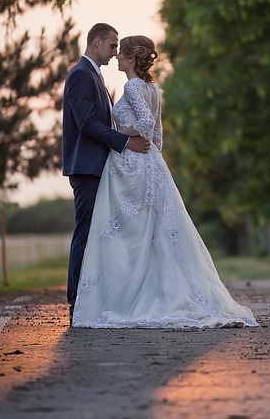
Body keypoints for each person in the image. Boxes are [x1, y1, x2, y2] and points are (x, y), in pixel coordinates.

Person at [72, 35, 258, 329]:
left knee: (129, 234)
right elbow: (158, 136)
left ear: (132, 58)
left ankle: (127, 297)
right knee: (153, 233)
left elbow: (146, 126)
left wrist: (125, 136)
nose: (117, 57)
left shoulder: (133, 86)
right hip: (153, 163)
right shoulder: (153, 89)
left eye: (121, 53)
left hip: (132, 162)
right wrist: (152, 158)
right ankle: (149, 292)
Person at [62, 23, 150, 323]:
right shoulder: (80, 75)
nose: (115, 53)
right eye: (112, 46)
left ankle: (98, 300)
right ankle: (76, 304)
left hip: (102, 167)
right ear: (96, 42)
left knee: (99, 235)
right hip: (87, 168)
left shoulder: (94, 76)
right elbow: (86, 124)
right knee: (85, 234)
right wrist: (125, 142)